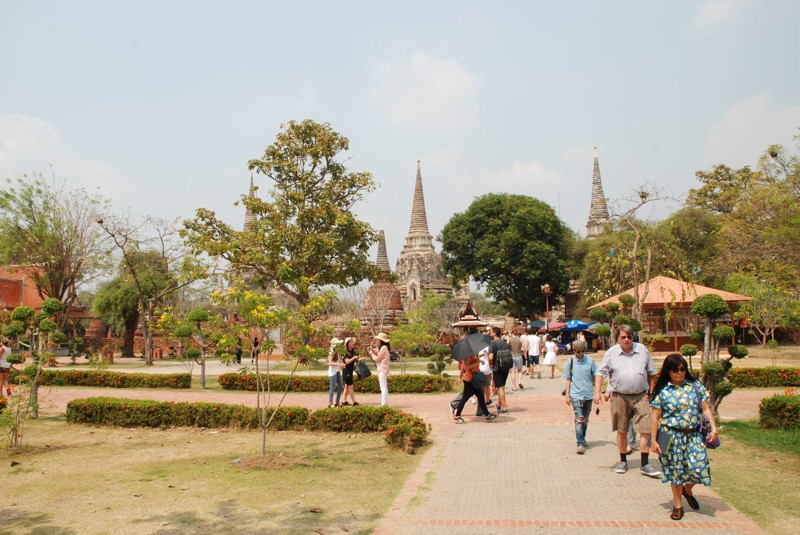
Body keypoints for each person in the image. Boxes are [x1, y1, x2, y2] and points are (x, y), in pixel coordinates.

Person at [650, 353, 718, 521]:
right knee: (676, 472)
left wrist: (714, 429)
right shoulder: (662, 391)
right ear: (668, 372)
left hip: (693, 435)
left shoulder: (695, 386)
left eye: (682, 369)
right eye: (675, 370)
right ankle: (678, 505)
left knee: (699, 468)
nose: (680, 373)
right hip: (669, 435)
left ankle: (687, 490)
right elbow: (655, 418)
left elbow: (706, 409)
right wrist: (653, 440)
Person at [593, 324, 661, 477]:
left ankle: (645, 463)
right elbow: (600, 372)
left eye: (629, 337)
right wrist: (597, 391)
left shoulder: (642, 350)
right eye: (623, 337)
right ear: (618, 338)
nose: (626, 340)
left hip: (640, 396)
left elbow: (652, 373)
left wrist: (651, 392)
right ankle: (623, 460)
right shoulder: (611, 352)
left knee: (645, 428)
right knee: (622, 429)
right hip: (619, 396)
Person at [453, 329, 497, 423]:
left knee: (481, 397)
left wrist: (478, 361)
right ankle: (457, 415)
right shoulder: (467, 355)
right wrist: (477, 362)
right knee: (465, 398)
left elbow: (463, 368)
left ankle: (487, 415)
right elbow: (465, 366)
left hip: (474, 377)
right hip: (470, 379)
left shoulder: (472, 353)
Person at [564, 340, 597, 454]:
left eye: (582, 351)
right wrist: (567, 395)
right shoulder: (570, 362)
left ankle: (582, 437)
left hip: (588, 393)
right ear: (574, 351)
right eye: (578, 352)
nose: (580, 354)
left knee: (586, 420)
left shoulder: (590, 361)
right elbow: (568, 379)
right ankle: (580, 443)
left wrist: (598, 391)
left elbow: (596, 376)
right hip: (576, 394)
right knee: (579, 418)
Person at [488, 327, 511, 414]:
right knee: (501, 386)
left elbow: (491, 357)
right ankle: (499, 404)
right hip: (505, 366)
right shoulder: (505, 343)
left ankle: (504, 408)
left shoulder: (492, 344)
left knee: (500, 388)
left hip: (497, 367)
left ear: (494, 333)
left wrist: (489, 363)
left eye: (491, 332)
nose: (490, 334)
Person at [369, 332, 391, 406]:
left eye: (378, 340)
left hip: (382, 369)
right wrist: (373, 351)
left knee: (383, 387)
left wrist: (372, 354)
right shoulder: (385, 347)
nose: (377, 341)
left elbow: (378, 358)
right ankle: (385, 403)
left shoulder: (383, 348)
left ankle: (384, 404)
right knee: (384, 387)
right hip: (384, 369)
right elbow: (379, 355)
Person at [342, 337, 366, 406]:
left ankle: (344, 401)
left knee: (346, 387)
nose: (353, 343)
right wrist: (354, 358)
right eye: (351, 342)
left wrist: (361, 359)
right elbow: (347, 362)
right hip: (347, 372)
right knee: (350, 387)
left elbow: (356, 359)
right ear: (347, 344)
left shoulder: (352, 351)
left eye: (353, 342)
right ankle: (354, 402)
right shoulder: (345, 352)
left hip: (350, 371)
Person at [326, 337, 345, 407]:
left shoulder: (337, 351)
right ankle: (330, 403)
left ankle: (337, 401)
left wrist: (341, 366)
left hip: (337, 371)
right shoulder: (331, 352)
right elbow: (330, 363)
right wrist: (339, 364)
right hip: (332, 372)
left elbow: (337, 362)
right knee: (332, 387)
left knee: (341, 386)